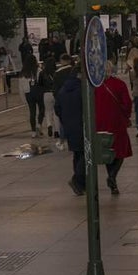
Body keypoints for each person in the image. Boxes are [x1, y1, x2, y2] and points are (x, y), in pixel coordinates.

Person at [96, 62, 133, 194]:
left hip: (100, 124)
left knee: (107, 151)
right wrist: (127, 116)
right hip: (117, 122)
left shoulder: (95, 86)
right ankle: (112, 176)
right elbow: (127, 103)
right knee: (120, 151)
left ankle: (112, 179)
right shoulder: (119, 84)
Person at [55, 65, 86, 196]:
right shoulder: (82, 90)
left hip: (69, 126)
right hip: (81, 125)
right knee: (86, 153)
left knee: (77, 154)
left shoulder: (63, 90)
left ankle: (80, 184)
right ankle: (77, 180)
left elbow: (57, 108)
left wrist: (65, 120)